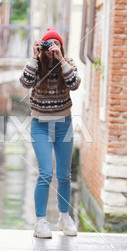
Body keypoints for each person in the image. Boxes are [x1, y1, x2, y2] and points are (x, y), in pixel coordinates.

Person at [20, 27, 81, 238]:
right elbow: (25, 82)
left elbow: (74, 84)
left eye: (55, 44)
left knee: (64, 175)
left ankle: (64, 218)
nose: (50, 48)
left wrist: (61, 59)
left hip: (63, 124)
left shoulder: (68, 63)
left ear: (61, 46)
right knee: (45, 173)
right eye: (48, 44)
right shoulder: (36, 65)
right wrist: (34, 57)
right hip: (40, 125)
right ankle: (41, 222)